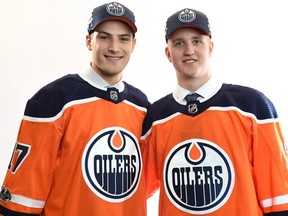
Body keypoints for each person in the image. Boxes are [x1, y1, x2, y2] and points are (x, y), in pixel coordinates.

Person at [0, 2, 150, 216]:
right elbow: (22, 197)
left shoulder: (142, 106)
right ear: (89, 41)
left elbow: (144, 184)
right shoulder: (53, 100)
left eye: (123, 38)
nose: (115, 47)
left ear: (133, 44)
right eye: (105, 37)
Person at [141, 7, 288, 216]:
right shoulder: (156, 117)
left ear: (210, 47)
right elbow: (130, 191)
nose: (189, 50)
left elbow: (278, 197)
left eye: (197, 41)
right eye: (179, 43)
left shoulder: (252, 106)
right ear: (168, 53)